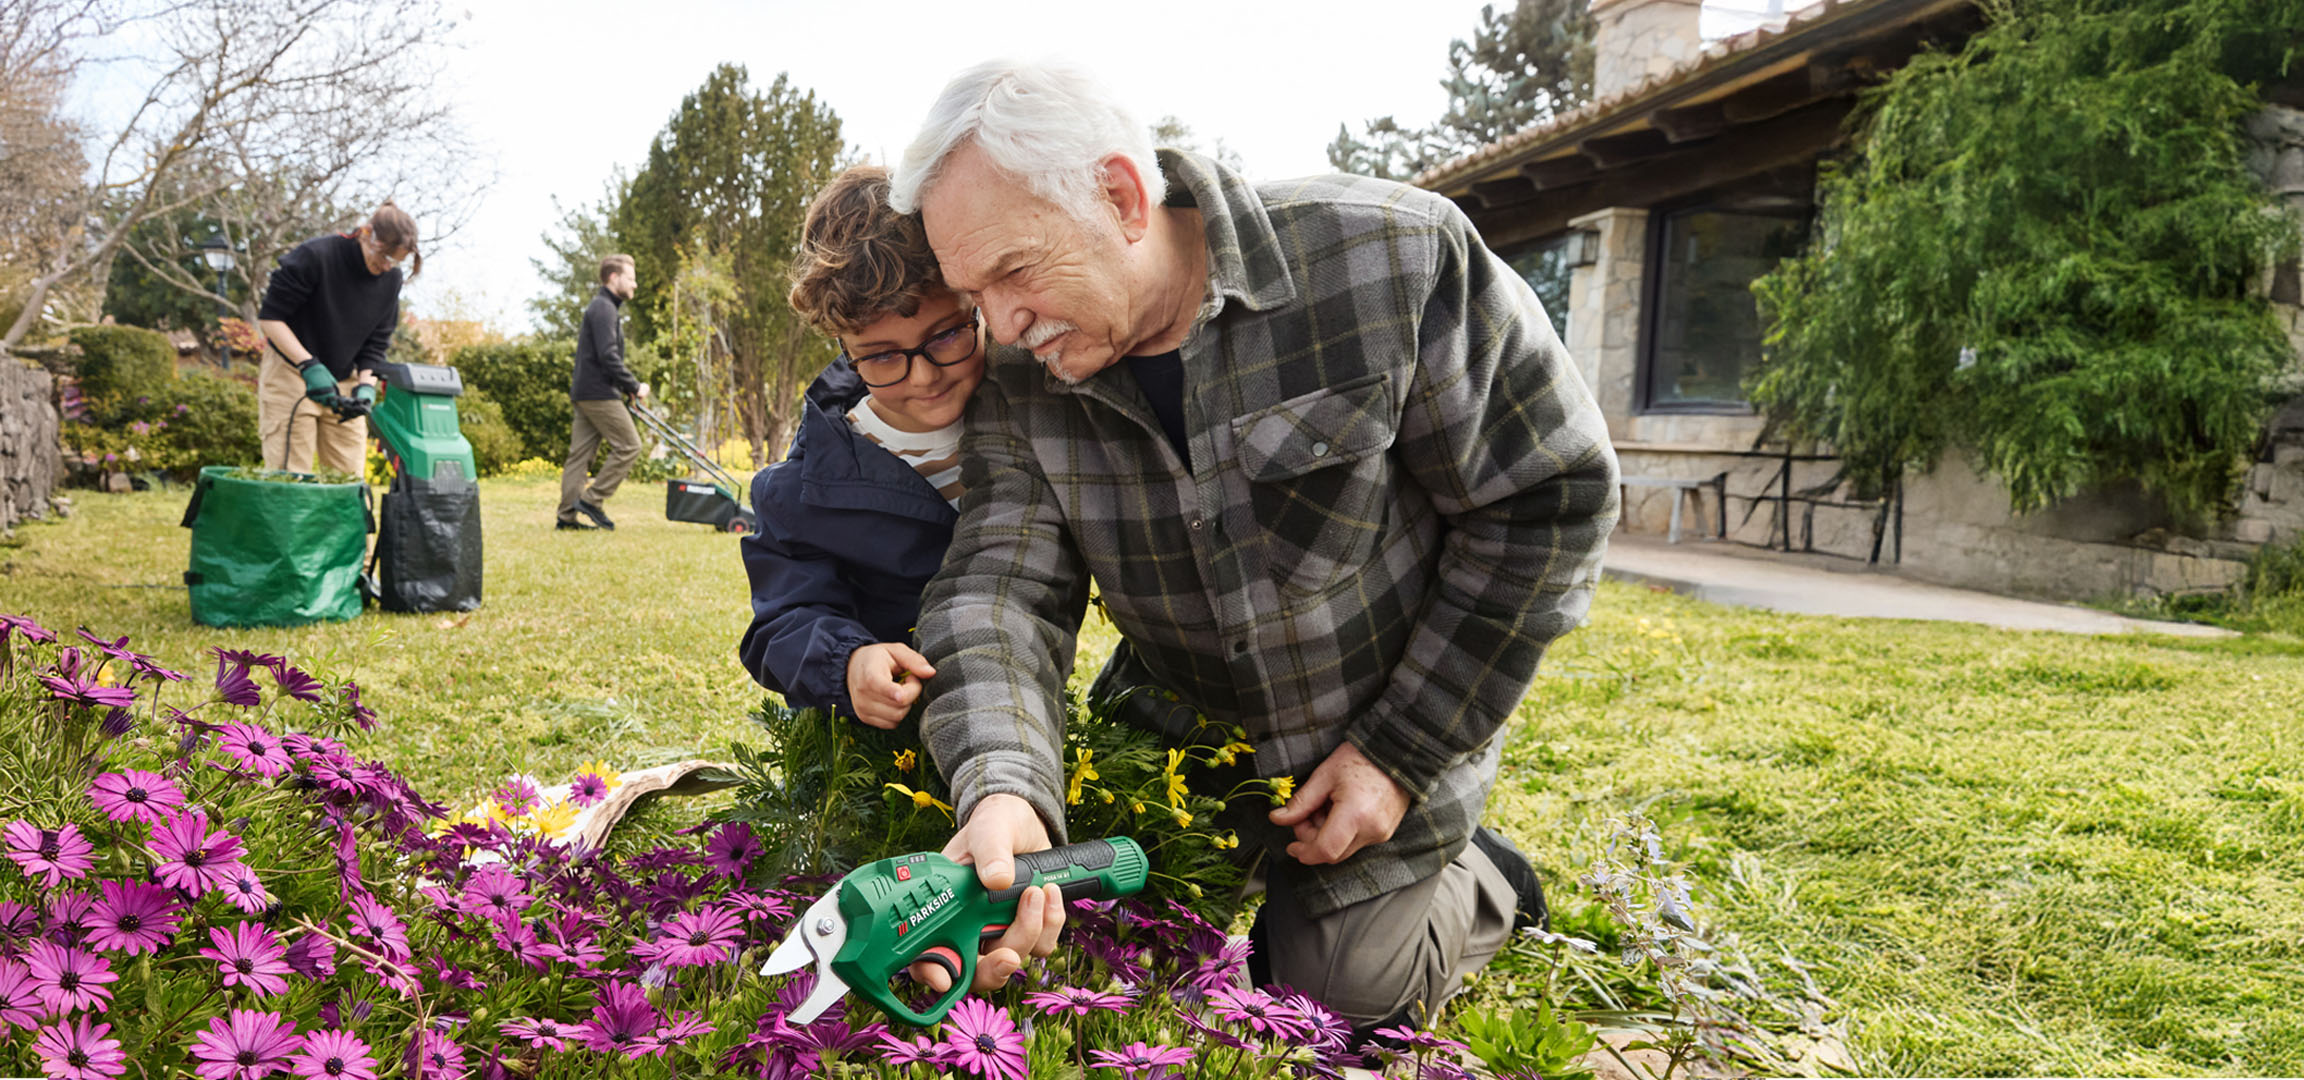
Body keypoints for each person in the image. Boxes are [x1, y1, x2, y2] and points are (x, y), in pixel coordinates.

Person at [889, 60, 1621, 1033]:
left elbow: (1549, 496)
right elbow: (996, 593)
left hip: (1377, 722)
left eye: (1015, 271)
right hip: (1179, 725)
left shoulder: (1393, 259)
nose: (1002, 325)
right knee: (1088, 953)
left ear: (1120, 195)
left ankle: (1490, 877)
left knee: (1333, 996)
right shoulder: (1021, 375)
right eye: (973, 291)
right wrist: (1005, 788)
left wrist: (1400, 754)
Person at [738, 165, 991, 729]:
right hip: (881, 745)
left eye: (947, 334)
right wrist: (849, 660)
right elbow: (780, 623)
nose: (924, 378)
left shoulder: (1031, 412)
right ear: (843, 345)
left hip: (1014, 710)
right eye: (881, 356)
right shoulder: (804, 487)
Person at [255, 201, 420, 474]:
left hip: (345, 379)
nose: (388, 266)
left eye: (396, 261)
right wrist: (308, 365)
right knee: (290, 477)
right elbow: (271, 318)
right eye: (385, 256)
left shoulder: (389, 280)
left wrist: (365, 388)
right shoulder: (315, 256)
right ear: (367, 234)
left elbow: (376, 344)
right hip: (291, 372)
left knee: (348, 481)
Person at [558, 254, 647, 531]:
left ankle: (566, 517)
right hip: (598, 393)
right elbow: (608, 356)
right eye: (630, 278)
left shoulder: (602, 307)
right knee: (630, 445)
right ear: (613, 277)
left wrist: (625, 388)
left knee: (579, 455)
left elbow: (604, 356)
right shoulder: (604, 308)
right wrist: (634, 386)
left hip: (586, 392)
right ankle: (592, 501)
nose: (634, 284)